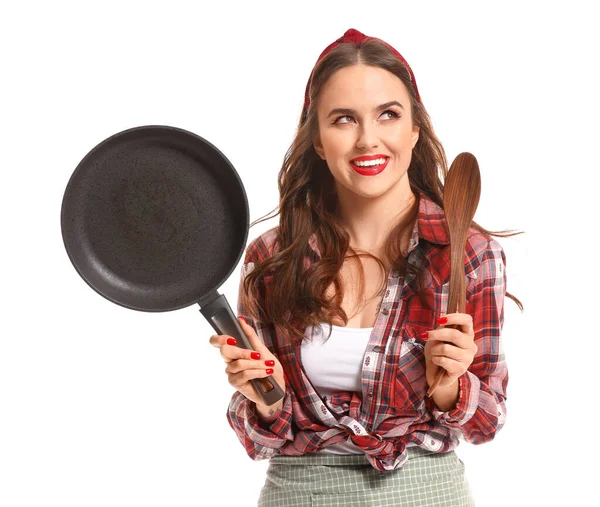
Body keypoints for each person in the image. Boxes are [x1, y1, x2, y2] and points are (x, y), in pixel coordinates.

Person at [209, 27, 521, 507]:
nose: (367, 139)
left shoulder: (467, 255)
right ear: (316, 139)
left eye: (388, 115)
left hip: (426, 493)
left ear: (414, 128)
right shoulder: (273, 257)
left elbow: (487, 422)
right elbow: (259, 439)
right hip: (300, 493)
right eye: (343, 120)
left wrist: (450, 389)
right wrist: (266, 396)